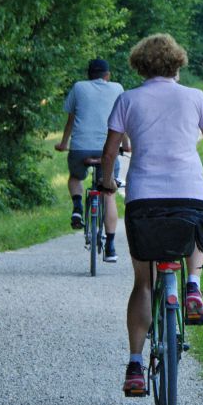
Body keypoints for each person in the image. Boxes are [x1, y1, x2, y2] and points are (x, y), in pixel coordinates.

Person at [97, 34, 203, 397]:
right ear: (178, 63)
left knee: (143, 283)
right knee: (197, 227)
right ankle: (192, 289)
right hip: (188, 191)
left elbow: (110, 153)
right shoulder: (196, 98)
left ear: (139, 65)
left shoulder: (127, 99)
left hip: (144, 199)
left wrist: (108, 183)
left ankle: (136, 366)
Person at [55, 59, 126, 262]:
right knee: (109, 192)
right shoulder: (118, 88)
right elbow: (122, 122)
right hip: (108, 149)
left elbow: (71, 119)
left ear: (89, 75)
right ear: (107, 75)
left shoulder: (78, 87)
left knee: (75, 177)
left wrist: (63, 143)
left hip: (80, 148)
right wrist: (127, 145)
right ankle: (111, 247)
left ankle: (78, 208)